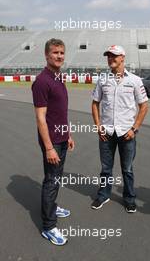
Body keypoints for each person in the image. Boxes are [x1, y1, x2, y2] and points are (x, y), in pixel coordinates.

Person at [91, 45, 148, 213]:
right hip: (107, 133)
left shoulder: (135, 80)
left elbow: (144, 106)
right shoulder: (102, 79)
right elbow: (95, 103)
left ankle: (129, 198)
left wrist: (134, 128)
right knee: (106, 169)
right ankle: (103, 195)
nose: (111, 59)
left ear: (123, 57)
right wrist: (98, 126)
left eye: (114, 56)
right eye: (108, 56)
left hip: (127, 133)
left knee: (127, 169)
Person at [32, 38, 74, 245]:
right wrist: (49, 147)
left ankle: (52, 206)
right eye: (55, 53)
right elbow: (41, 118)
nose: (59, 56)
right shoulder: (42, 81)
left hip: (61, 138)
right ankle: (48, 226)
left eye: (62, 53)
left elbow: (59, 113)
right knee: (51, 181)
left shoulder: (58, 77)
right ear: (47, 55)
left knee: (56, 178)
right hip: (52, 142)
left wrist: (68, 135)